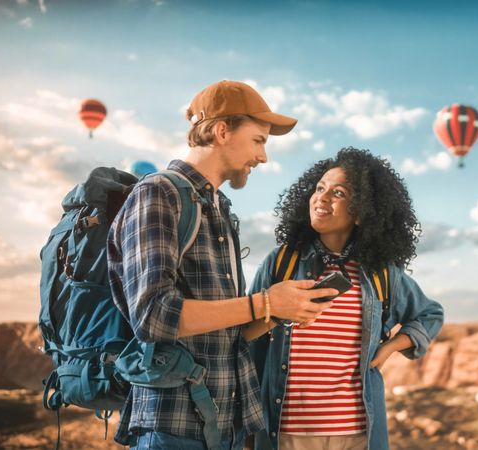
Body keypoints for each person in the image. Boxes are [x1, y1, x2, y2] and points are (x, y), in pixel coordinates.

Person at [107, 80, 339, 449]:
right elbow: (153, 317)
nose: (263, 157)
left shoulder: (217, 208)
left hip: (226, 426)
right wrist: (264, 302)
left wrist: (279, 311)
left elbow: (222, 335)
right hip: (174, 429)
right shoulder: (159, 194)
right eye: (259, 140)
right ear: (221, 131)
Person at [243, 147, 445, 450]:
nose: (321, 197)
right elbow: (246, 339)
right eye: (319, 188)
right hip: (285, 434)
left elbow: (430, 314)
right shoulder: (280, 263)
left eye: (337, 193)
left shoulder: (381, 274)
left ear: (362, 212)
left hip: (358, 435)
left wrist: (390, 347)